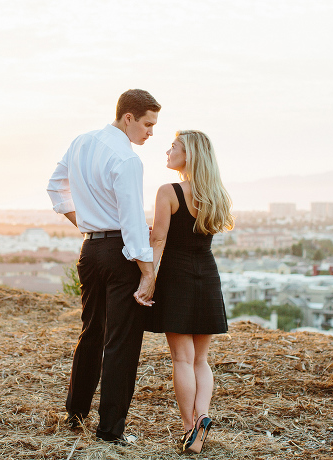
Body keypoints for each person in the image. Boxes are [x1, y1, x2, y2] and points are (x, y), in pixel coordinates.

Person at [46, 89, 161, 445]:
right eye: (147, 124)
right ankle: (110, 431)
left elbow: (55, 189)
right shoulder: (127, 159)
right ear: (129, 117)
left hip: (90, 251)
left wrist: (84, 223)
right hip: (120, 253)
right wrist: (148, 271)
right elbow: (130, 221)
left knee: (91, 332)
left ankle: (75, 414)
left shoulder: (82, 142)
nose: (151, 133)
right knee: (122, 342)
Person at [144, 130, 233, 453]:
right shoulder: (217, 195)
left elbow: (159, 241)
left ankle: (189, 428)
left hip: (177, 277)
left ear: (189, 155)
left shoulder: (168, 191)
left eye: (174, 147)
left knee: (181, 358)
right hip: (207, 275)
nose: (168, 151)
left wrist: (148, 278)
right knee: (201, 359)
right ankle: (204, 415)